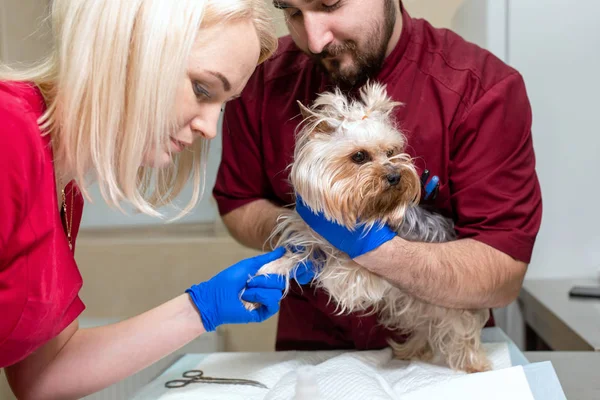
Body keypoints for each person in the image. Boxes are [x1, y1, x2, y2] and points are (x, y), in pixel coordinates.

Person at [0, 1, 313, 398]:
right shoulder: (8, 135)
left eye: (223, 104)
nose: (210, 128)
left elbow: (44, 376)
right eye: (202, 89)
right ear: (131, 48)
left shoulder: (64, 186)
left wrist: (204, 307)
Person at [213, 0, 543, 351]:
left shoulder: (481, 89)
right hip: (313, 348)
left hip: (442, 349)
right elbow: (238, 203)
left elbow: (502, 274)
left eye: (330, 4)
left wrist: (373, 248)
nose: (314, 40)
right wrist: (310, 232)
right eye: (293, 12)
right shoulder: (261, 77)